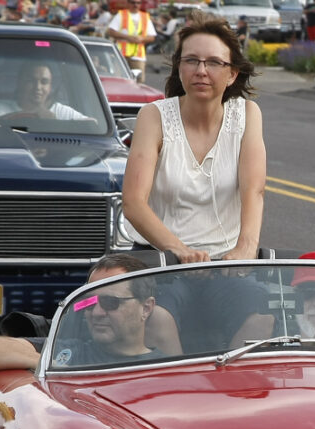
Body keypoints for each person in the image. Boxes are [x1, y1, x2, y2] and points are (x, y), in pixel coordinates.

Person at [122, 11, 271, 354]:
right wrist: (179, 250)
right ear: (179, 68)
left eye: (213, 62)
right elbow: (133, 203)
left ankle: (232, 385)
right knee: (156, 318)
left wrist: (246, 248)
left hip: (225, 265)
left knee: (262, 318)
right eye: (191, 60)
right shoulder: (154, 116)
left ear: (232, 73)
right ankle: (176, 386)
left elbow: (254, 189)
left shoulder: (247, 114)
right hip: (163, 261)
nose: (201, 70)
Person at [0, 255, 155, 370]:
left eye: (110, 302)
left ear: (146, 308)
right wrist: (54, 366)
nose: (96, 313)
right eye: (89, 302)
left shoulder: (165, 365)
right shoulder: (71, 353)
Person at [0, 61, 92, 121]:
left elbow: (92, 125)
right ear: (20, 83)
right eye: (31, 81)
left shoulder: (62, 112)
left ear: (50, 87)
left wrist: (57, 124)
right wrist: (36, 115)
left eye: (44, 82)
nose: (38, 87)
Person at [106, 0, 157, 83]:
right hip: (121, 54)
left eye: (138, 3)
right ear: (127, 3)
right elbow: (111, 32)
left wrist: (141, 39)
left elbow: (152, 37)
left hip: (138, 55)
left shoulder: (145, 17)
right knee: (119, 80)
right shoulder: (121, 15)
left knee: (139, 81)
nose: (135, 5)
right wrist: (128, 37)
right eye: (133, 2)